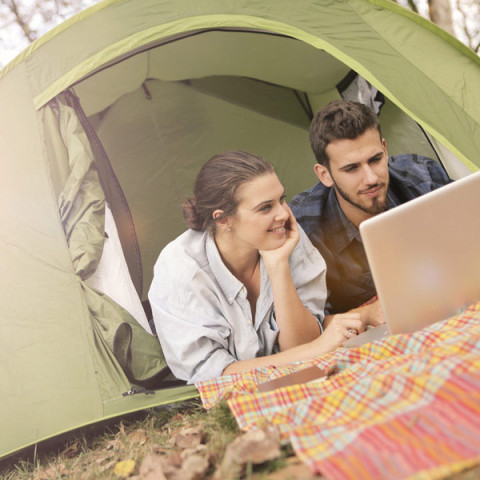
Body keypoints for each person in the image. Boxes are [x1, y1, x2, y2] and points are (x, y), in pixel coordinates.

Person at [148, 151, 363, 384]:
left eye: (281, 199)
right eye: (265, 208)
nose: (282, 213)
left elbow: (302, 344)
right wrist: (316, 349)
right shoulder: (182, 269)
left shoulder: (284, 234)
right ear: (222, 219)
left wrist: (278, 266)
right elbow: (212, 377)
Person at [290, 100, 452, 317]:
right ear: (324, 175)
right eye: (351, 168)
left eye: (375, 159)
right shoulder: (304, 227)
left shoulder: (423, 177)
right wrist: (366, 315)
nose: (371, 178)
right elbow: (313, 324)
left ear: (385, 150)